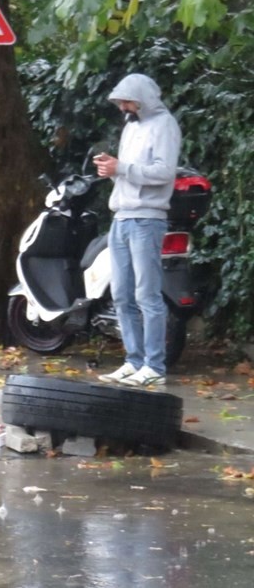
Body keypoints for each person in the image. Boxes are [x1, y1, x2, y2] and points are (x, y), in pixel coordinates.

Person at [95, 73, 181, 388]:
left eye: (126, 101)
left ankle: (154, 365)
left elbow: (163, 172)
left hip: (147, 218)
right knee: (120, 294)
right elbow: (129, 172)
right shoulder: (131, 126)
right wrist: (111, 170)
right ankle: (133, 361)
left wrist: (121, 168)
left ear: (142, 98)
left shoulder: (165, 125)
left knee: (147, 294)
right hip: (121, 216)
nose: (122, 107)